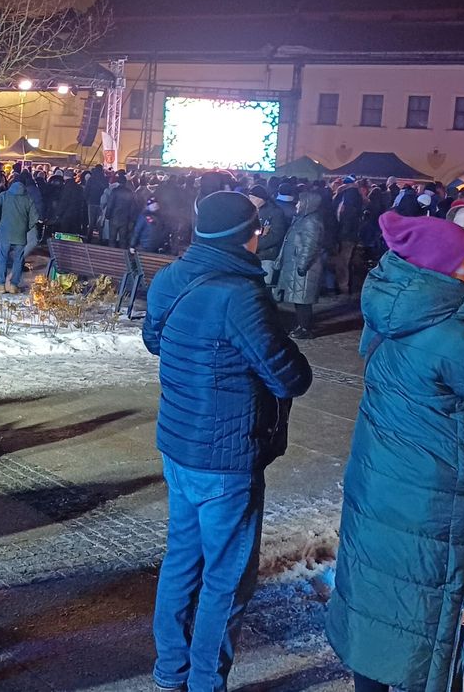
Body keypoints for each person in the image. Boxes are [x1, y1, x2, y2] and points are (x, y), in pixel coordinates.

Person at [328, 212, 464, 692]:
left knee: (379, 602)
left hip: (383, 483)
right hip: (436, 501)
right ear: (438, 270)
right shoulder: (454, 336)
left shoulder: (394, 308)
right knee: (433, 615)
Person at [141, 191, 313, 692]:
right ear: (245, 236)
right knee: (226, 578)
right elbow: (291, 377)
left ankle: (169, 672)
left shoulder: (171, 277)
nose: (261, 236)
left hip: (180, 443)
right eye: (258, 229)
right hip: (226, 455)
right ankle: (204, 682)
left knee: (182, 561)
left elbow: (154, 340)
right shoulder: (240, 296)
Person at [277, 189, 326, 339]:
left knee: (303, 300)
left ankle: (305, 328)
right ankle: (301, 325)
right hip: (297, 265)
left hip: (304, 268)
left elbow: (310, 246)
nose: (297, 204)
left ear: (307, 203)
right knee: (299, 299)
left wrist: (302, 265)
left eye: (299, 202)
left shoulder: (311, 221)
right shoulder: (303, 218)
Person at [0, 175, 39, 293]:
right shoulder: (28, 198)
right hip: (20, 234)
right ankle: (13, 285)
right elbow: (35, 217)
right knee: (18, 259)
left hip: (5, 232)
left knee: (2, 258)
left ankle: (1, 285)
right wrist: (26, 227)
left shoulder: (5, 195)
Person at [101, 171, 138, 248]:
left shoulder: (114, 191)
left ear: (118, 182)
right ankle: (122, 254)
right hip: (125, 219)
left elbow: (110, 205)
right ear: (125, 182)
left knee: (112, 239)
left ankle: (111, 252)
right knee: (123, 240)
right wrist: (131, 219)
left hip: (114, 217)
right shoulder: (129, 192)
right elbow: (133, 207)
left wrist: (107, 215)